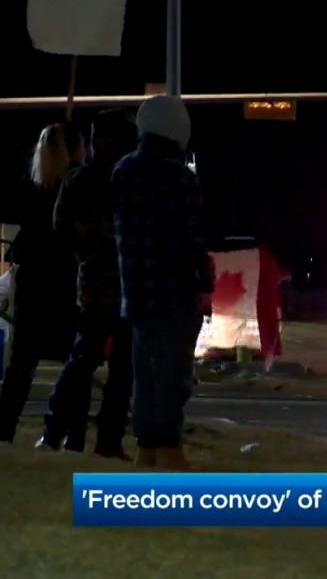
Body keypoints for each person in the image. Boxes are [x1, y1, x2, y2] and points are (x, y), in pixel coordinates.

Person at [112, 95, 213, 469]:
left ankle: (146, 449)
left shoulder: (123, 171)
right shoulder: (180, 178)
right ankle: (168, 449)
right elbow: (192, 238)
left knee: (145, 374)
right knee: (173, 375)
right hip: (175, 293)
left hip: (136, 293)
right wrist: (204, 285)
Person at [38, 110, 139, 457]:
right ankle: (103, 439)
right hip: (118, 285)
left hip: (100, 284)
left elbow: (63, 228)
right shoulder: (125, 180)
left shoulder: (84, 180)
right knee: (113, 368)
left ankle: (59, 432)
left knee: (86, 363)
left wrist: (88, 250)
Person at [0, 124, 83, 444]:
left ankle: (5, 429)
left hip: (34, 286)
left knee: (21, 366)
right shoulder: (73, 190)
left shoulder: (32, 190)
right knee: (73, 366)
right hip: (63, 285)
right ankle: (69, 435)